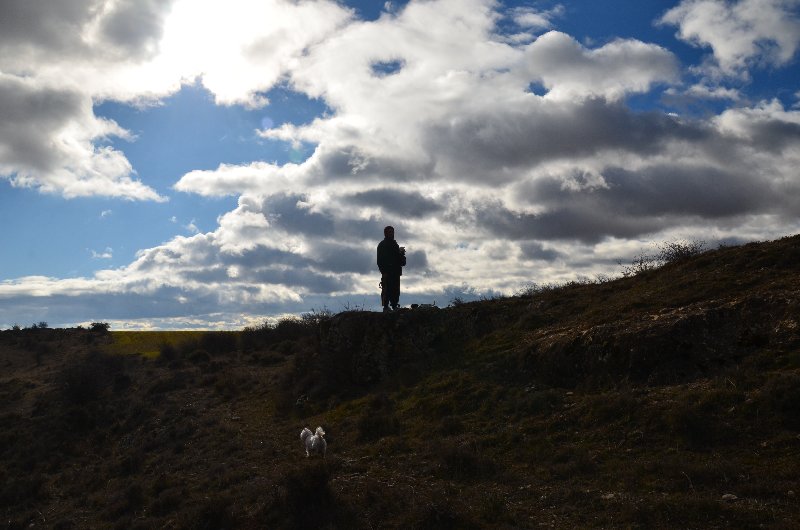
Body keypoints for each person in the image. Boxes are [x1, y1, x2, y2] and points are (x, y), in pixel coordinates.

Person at [377, 225, 405, 312]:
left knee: (396, 290)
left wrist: (401, 253)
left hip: (396, 271)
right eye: (389, 232)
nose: (391, 233)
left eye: (392, 232)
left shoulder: (395, 244)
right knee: (387, 289)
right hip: (387, 271)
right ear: (385, 233)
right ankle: (386, 307)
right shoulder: (382, 245)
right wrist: (383, 271)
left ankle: (394, 306)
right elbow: (380, 260)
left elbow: (401, 261)